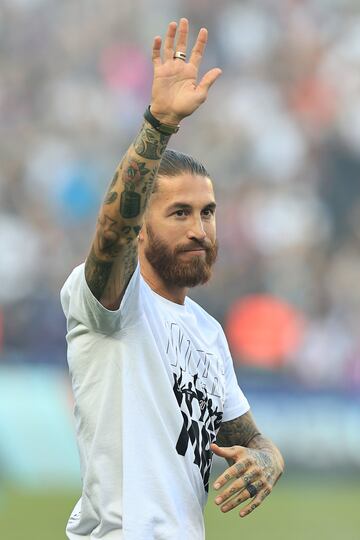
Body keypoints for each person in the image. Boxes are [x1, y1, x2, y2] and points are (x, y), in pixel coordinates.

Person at [61, 18, 284, 540]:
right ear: (142, 226)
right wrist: (159, 124)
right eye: (179, 213)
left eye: (208, 212)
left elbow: (254, 442)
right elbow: (112, 231)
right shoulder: (110, 304)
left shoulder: (208, 333)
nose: (200, 229)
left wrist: (266, 463)